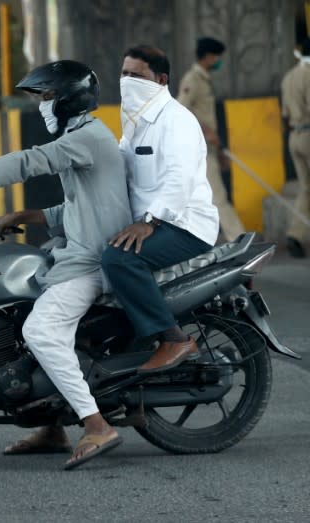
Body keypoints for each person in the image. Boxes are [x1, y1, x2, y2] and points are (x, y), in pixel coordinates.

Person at [0, 60, 132, 470]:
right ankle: (53, 426)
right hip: (76, 251)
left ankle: (96, 424)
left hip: (92, 262)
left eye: (48, 97)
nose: (43, 105)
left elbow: (30, 161)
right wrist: (25, 216)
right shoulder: (81, 135)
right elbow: (79, 206)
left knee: (41, 329)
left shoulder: (87, 137)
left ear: (70, 100)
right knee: (20, 318)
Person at [102, 45, 219, 373]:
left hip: (184, 224)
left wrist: (150, 221)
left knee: (119, 258)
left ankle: (173, 338)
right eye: (124, 74)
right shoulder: (136, 122)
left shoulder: (176, 120)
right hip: (155, 222)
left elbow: (178, 180)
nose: (127, 81)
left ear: (161, 79)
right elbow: (118, 169)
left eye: (136, 75)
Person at [178, 37, 245, 243]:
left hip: (209, 147)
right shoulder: (193, 79)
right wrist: (206, 131)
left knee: (206, 198)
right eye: (217, 57)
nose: (218, 61)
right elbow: (181, 110)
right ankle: (239, 239)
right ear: (207, 57)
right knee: (218, 197)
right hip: (199, 148)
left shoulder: (205, 78)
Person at [280, 37, 310, 259]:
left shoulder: (289, 77)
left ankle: (296, 235)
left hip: (294, 136)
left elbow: (285, 115)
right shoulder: (308, 74)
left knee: (306, 189)